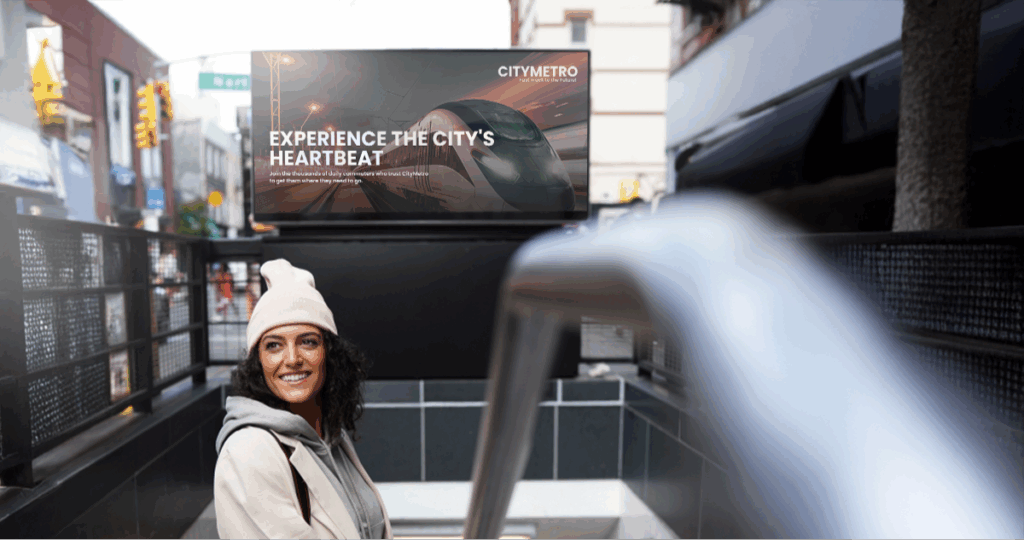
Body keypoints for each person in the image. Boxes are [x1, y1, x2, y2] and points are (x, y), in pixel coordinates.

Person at [214, 259, 391, 539]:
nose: (293, 359)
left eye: (308, 341)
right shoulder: (249, 452)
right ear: (258, 362)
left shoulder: (330, 435)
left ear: (329, 354)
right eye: (274, 345)